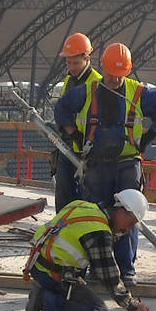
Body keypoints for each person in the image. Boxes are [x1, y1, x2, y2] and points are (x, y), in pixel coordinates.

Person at [54, 42, 156, 285]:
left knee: (128, 218)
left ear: (127, 72)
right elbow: (62, 107)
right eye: (110, 75)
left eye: (120, 76)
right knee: (94, 216)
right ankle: (98, 268)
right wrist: (73, 132)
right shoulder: (88, 91)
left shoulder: (138, 92)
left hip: (127, 163)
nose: (115, 80)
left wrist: (153, 133)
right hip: (96, 165)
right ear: (103, 68)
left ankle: (126, 270)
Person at [23, 190, 151, 311]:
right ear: (122, 212)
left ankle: (47, 291)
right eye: (130, 223)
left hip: (37, 264)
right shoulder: (98, 231)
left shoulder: (82, 206)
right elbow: (109, 277)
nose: (128, 230)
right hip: (52, 274)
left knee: (84, 265)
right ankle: (43, 299)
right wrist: (134, 305)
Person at [53, 32, 101, 210]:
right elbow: (62, 110)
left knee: (85, 196)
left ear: (87, 59)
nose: (71, 67)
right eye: (68, 62)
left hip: (86, 149)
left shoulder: (96, 83)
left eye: (75, 62)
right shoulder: (69, 81)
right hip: (67, 145)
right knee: (63, 194)